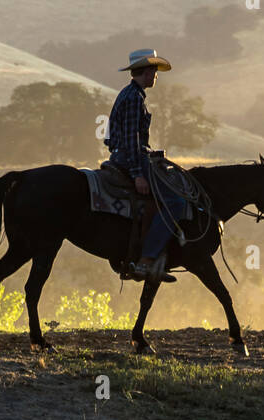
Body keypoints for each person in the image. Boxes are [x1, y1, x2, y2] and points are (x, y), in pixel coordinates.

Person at [105, 48, 184, 281]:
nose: (157, 76)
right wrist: (138, 174)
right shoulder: (133, 98)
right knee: (175, 202)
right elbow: (131, 141)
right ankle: (147, 260)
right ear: (148, 72)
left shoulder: (131, 94)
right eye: (155, 71)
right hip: (129, 159)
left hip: (131, 155)